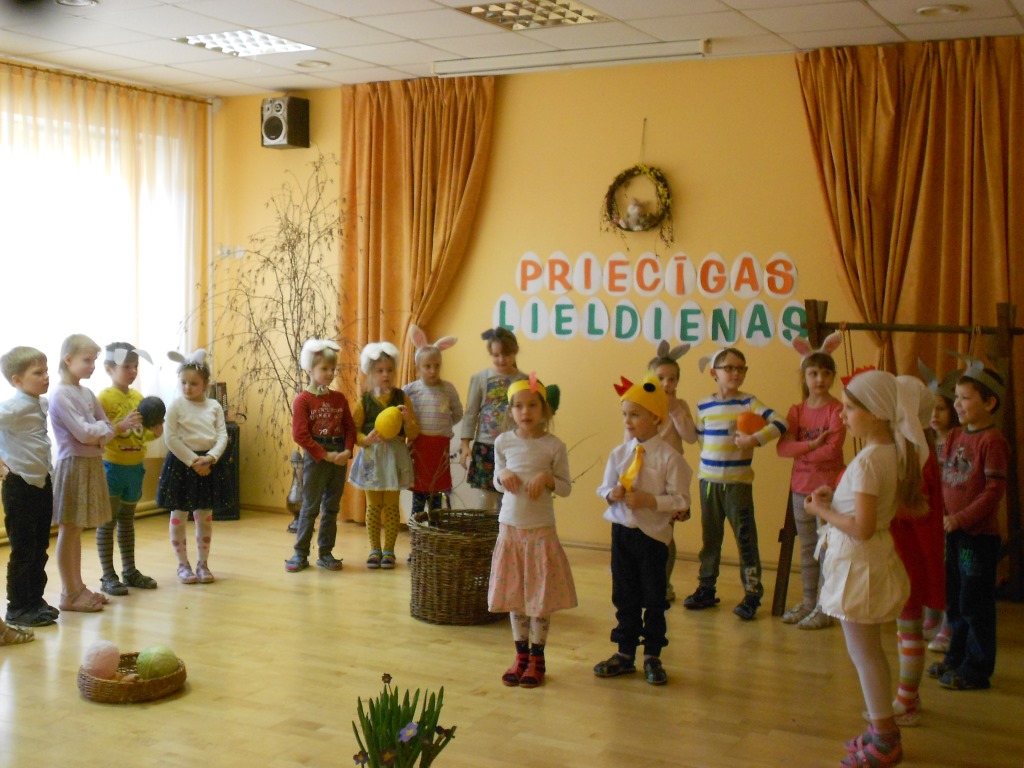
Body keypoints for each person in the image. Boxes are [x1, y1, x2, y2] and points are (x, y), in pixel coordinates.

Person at [804, 369, 927, 768]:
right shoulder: (887, 452)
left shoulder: (871, 460)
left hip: (860, 564)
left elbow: (862, 527)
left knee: (865, 655)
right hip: (866, 561)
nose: (842, 415)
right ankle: (880, 728)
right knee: (870, 652)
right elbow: (864, 510)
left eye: (850, 408)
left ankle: (886, 739)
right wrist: (835, 501)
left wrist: (821, 510)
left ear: (875, 413)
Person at [594, 374, 691, 686]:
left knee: (654, 596)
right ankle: (624, 653)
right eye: (625, 414)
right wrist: (611, 493)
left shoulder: (670, 459)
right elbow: (603, 487)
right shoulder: (619, 454)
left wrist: (651, 501)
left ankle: (652, 655)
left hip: (652, 538)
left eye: (635, 414)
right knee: (624, 594)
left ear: (656, 418)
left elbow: (682, 500)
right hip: (622, 533)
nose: (627, 421)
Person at [684, 347, 785, 620]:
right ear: (714, 373)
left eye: (741, 368)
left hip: (738, 484)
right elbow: (702, 440)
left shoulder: (749, 402)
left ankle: (752, 594)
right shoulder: (703, 405)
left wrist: (755, 439)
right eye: (729, 368)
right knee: (710, 539)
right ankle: (706, 588)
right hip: (708, 483)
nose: (736, 373)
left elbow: (780, 422)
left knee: (745, 539)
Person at [488, 374, 575, 689]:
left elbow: (565, 487)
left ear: (544, 410)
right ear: (511, 411)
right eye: (519, 406)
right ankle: (520, 655)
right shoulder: (503, 442)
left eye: (532, 405)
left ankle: (538, 657)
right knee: (515, 595)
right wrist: (503, 474)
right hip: (511, 529)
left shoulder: (554, 445)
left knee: (539, 597)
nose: (525, 412)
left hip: (540, 532)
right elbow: (497, 480)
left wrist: (548, 478)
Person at [927, 362, 1009, 692]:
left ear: (989, 403)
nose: (957, 404)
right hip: (954, 534)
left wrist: (959, 518)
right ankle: (955, 659)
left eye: (965, 398)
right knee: (956, 600)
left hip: (977, 539)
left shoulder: (993, 441)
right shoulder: (956, 436)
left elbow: (993, 491)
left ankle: (976, 669)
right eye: (956, 397)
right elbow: (945, 478)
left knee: (975, 604)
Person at [50, 334, 138, 613]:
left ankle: (78, 587)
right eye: (87, 360)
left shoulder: (86, 393)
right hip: (73, 465)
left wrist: (101, 431)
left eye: (94, 361)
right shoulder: (61, 394)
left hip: (90, 463)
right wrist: (102, 431)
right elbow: (86, 433)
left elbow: (106, 428)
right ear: (68, 360)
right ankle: (69, 591)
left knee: (78, 530)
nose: (92, 366)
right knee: (69, 529)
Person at [882, 375, 945, 726]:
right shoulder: (908, 448)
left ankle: (907, 700)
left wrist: (881, 504)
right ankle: (909, 695)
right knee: (905, 629)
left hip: (910, 555)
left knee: (909, 629)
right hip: (903, 552)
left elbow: (918, 509)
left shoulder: (916, 455)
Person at [775, 334, 846, 629]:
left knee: (827, 548)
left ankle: (824, 606)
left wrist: (802, 451)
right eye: (814, 373)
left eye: (826, 373)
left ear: (832, 377)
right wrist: (812, 445)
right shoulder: (797, 411)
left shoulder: (837, 410)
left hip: (827, 491)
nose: (820, 379)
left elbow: (833, 450)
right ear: (805, 376)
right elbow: (783, 448)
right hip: (800, 489)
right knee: (807, 549)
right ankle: (807, 601)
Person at [156, 349, 229, 585]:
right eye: (184, 383)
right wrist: (193, 461)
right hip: (182, 465)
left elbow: (222, 435)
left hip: (208, 464)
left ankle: (202, 564)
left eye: (194, 384)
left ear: (205, 384)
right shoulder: (176, 406)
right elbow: (171, 438)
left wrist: (211, 458)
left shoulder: (214, 406)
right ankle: (183, 564)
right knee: (178, 514)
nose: (187, 388)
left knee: (204, 516)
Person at [96, 342, 163, 596]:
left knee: (127, 521)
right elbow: (98, 435)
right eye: (127, 367)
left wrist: (155, 432)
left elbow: (142, 434)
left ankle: (129, 571)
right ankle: (108, 575)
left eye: (135, 366)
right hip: (112, 468)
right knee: (107, 522)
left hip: (135, 469)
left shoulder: (138, 399)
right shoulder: (103, 399)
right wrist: (120, 426)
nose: (133, 371)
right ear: (109, 368)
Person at [285, 339, 355, 573]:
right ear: (310, 369)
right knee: (310, 507)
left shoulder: (339, 399)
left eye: (332, 369)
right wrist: (324, 455)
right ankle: (300, 553)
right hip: (316, 459)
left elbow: (350, 428)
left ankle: (325, 553)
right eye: (324, 368)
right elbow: (300, 435)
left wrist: (347, 451)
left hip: (338, 457)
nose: (330, 373)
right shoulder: (303, 400)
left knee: (331, 507)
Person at [348, 341, 418, 569]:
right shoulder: (365, 401)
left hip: (394, 458)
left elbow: (413, 433)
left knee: (391, 506)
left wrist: (407, 420)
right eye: (380, 371)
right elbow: (354, 431)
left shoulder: (402, 398)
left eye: (389, 370)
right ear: (370, 374)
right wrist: (365, 440)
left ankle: (389, 550)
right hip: (372, 458)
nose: (385, 375)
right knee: (373, 506)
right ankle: (374, 549)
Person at [1, 346, 58, 627]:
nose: (46, 377)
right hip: (20, 485)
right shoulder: (12, 408)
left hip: (41, 482)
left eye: (46, 371)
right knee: (23, 550)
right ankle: (18, 607)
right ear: (17, 380)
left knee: (39, 547)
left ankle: (35, 600)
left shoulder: (41, 403)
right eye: (38, 373)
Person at [646, 340, 696, 603]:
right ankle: (645, 583)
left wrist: (675, 410)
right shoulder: (642, 404)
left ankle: (663, 585)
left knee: (666, 533)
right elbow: (630, 440)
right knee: (645, 531)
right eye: (661, 378)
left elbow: (690, 437)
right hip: (646, 476)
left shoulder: (681, 405)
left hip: (672, 479)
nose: (666, 383)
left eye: (672, 379)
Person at [917, 361, 961, 652]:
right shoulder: (924, 441)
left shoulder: (960, 440)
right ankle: (931, 614)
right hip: (930, 514)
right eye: (931, 409)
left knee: (950, 570)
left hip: (952, 515)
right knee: (929, 565)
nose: (935, 415)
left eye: (941, 409)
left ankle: (948, 624)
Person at [460, 328, 526, 512]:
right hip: (486, 446)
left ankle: (504, 530)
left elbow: (530, 414)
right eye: (496, 355)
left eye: (506, 354)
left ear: (515, 351)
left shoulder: (523, 380)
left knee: (508, 499)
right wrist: (465, 444)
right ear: (490, 353)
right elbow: (471, 412)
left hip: (513, 447)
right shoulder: (480, 378)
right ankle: (485, 531)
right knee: (485, 500)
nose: (501, 360)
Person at [404, 324, 463, 523]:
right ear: (418, 368)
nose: (433, 370)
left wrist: (444, 427)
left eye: (437, 366)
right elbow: (399, 412)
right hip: (418, 447)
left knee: (436, 496)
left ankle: (435, 533)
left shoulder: (448, 389)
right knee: (419, 496)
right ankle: (417, 535)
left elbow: (458, 413)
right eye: (427, 366)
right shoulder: (410, 390)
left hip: (439, 449)